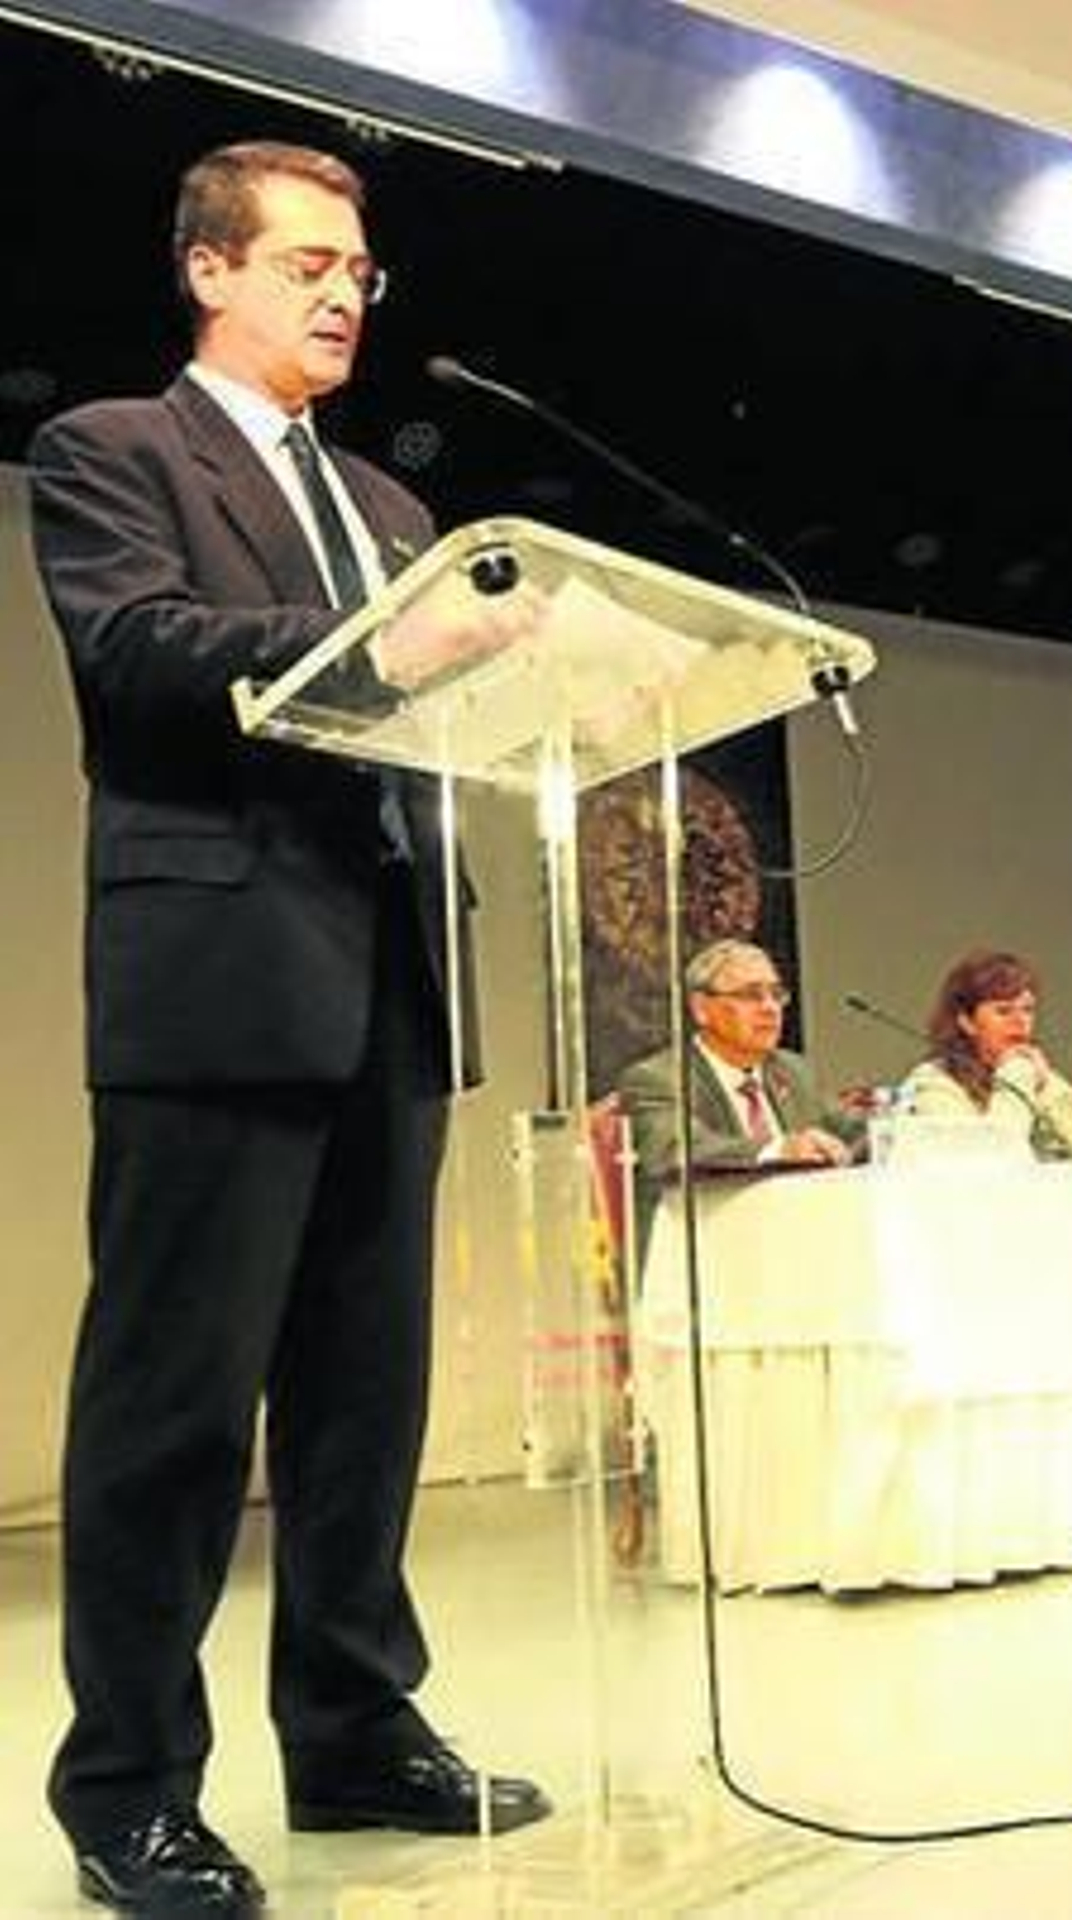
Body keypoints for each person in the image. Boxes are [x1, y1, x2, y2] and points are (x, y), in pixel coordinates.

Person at [28, 141, 550, 1919]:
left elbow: (440, 714)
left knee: (361, 1405)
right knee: (172, 1413)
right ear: (211, 271)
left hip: (395, 987)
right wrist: (380, 651)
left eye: (360, 271)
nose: (345, 293)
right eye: (310, 262)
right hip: (220, 985)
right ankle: (129, 1794)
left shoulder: (401, 521)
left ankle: (350, 1729)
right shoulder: (114, 453)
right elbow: (142, 656)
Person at [617, 939, 862, 1189]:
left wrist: (895, 1123)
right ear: (701, 1008)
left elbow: (850, 1130)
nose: (770, 1008)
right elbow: (677, 1149)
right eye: (751, 995)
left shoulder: (791, 1069)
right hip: (711, 1220)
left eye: (776, 994)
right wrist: (778, 1150)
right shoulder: (658, 1079)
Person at [899, 948, 1072, 1165]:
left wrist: (1047, 1089)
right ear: (966, 1021)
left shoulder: (1035, 1074)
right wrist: (1015, 1073)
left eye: (1027, 1010)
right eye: (1003, 1011)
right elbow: (995, 1160)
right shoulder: (933, 1083)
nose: (1020, 1022)